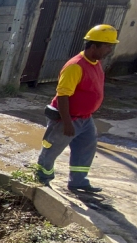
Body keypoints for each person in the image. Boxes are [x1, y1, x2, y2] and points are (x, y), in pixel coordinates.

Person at [34, 24, 119, 193]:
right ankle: (42, 178)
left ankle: (78, 181)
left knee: (86, 148)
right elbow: (63, 95)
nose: (109, 50)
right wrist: (66, 123)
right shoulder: (75, 66)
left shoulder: (95, 63)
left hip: (85, 118)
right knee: (52, 148)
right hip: (67, 118)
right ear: (94, 46)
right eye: (107, 46)